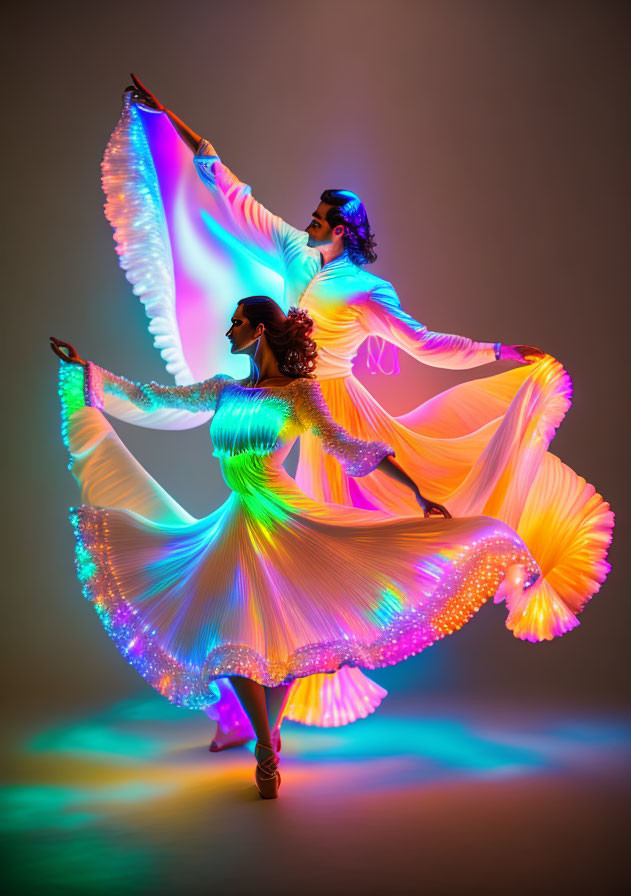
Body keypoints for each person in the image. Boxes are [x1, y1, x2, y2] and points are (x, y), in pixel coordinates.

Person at [97, 76, 613, 746]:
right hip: (285, 414)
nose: (307, 223)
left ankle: (269, 710)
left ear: (340, 229)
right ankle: (244, 712)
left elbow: (423, 344)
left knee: (321, 566)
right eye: (309, 218)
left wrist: (499, 351)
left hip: (329, 412)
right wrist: (169, 122)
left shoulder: (367, 291)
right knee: (261, 565)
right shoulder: (293, 254)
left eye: (317, 218)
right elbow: (233, 196)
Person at [51, 296, 546, 798]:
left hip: (284, 515)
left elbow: (347, 447)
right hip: (238, 518)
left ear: (260, 330)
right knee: (236, 633)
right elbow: (157, 397)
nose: (228, 331)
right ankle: (267, 745)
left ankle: (268, 742)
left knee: (294, 633)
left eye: (237, 323)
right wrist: (88, 372)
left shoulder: (299, 394)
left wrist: (417, 493)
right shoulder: (223, 391)